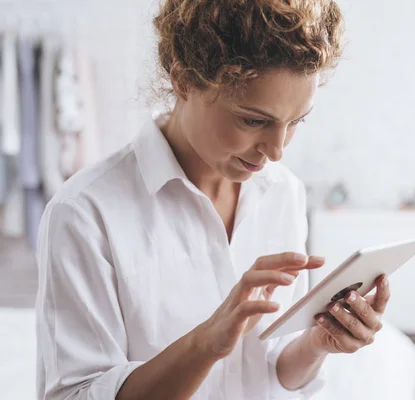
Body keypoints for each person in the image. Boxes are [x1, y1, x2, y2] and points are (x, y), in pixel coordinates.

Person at [35, 0, 391, 398]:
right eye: (254, 120)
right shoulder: (85, 213)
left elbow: (272, 367)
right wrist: (206, 345)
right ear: (183, 80)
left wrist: (317, 343)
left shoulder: (283, 192)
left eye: (294, 123)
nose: (276, 151)